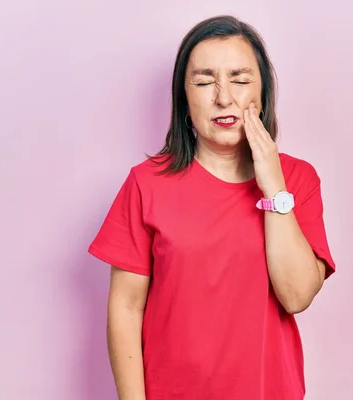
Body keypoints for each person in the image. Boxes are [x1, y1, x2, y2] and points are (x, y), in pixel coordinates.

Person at [88, 14, 336, 400]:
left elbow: (297, 295)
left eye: (239, 79)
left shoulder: (298, 180)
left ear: (263, 92)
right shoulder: (146, 183)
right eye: (204, 81)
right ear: (185, 100)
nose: (223, 97)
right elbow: (125, 308)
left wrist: (272, 183)